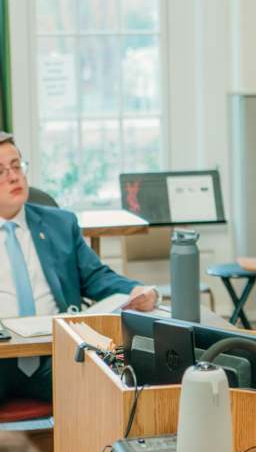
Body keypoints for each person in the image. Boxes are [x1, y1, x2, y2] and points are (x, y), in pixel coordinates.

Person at [0, 131, 158, 404]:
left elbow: (96, 277)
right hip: (2, 357)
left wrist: (137, 291)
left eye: (17, 166)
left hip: (56, 353)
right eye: (0, 171)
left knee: (122, 377)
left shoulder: (60, 224)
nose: (13, 177)